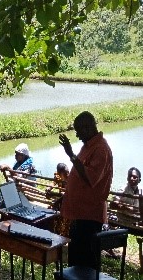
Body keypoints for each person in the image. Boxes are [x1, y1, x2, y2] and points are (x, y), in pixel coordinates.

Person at [59, 111, 113, 270]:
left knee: (86, 265)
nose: (77, 135)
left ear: (87, 127)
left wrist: (71, 155)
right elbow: (77, 176)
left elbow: (90, 177)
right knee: (75, 262)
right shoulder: (88, 147)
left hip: (89, 217)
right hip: (78, 215)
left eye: (78, 131)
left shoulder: (101, 149)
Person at [46, 163, 70, 237]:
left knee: (66, 218)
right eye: (64, 173)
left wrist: (56, 196)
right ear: (59, 173)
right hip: (61, 201)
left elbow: (68, 194)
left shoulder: (71, 178)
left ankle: (64, 234)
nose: (66, 174)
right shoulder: (58, 176)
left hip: (69, 202)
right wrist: (49, 188)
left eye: (67, 172)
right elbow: (53, 182)